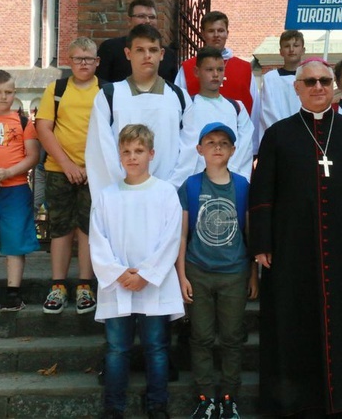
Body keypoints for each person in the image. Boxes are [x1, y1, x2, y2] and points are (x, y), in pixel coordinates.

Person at [249, 58, 342, 416]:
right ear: (297, 89)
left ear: (334, 85)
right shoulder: (278, 134)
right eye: (310, 82)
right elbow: (262, 193)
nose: (318, 87)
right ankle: (293, 400)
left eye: (324, 81)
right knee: (293, 320)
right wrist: (261, 243)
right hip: (292, 247)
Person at [89, 124, 184, 419]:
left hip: (153, 283)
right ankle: (113, 408)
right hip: (117, 283)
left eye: (139, 151)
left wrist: (146, 274)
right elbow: (97, 239)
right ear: (119, 155)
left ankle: (157, 405)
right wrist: (119, 273)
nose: (132, 157)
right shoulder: (106, 195)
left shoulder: (166, 192)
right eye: (127, 152)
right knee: (117, 349)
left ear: (151, 154)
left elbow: (172, 237)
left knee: (156, 347)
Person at [177, 122, 258, 419]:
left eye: (224, 143)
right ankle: (205, 396)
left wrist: (252, 273)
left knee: (233, 336)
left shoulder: (241, 186)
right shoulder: (191, 185)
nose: (217, 148)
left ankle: (228, 396)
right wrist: (182, 274)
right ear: (199, 149)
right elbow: (182, 235)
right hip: (198, 270)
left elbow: (248, 234)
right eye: (210, 142)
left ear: (233, 150)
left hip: (234, 272)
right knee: (200, 336)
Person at [85, 24, 198, 200]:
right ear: (128, 54)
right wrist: (121, 188)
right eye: (140, 50)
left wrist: (170, 188)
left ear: (161, 54)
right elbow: (100, 150)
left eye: (153, 50)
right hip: (121, 195)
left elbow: (190, 149)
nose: (147, 56)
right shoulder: (110, 95)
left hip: (167, 196)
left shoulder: (179, 97)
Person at [35, 37, 100, 315]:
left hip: (94, 172)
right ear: (69, 61)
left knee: (88, 228)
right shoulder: (57, 89)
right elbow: (44, 128)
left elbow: (111, 132)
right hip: (58, 170)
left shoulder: (106, 91)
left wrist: (90, 166)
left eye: (89, 58)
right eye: (78, 58)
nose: (83, 63)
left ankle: (85, 285)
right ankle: (58, 286)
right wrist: (67, 165)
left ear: (97, 62)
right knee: (60, 227)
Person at [174, 11, 258, 154]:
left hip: (237, 146)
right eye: (211, 31)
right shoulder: (188, 68)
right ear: (203, 33)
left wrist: (254, 147)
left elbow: (255, 108)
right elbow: (176, 109)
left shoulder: (245, 68)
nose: (216, 35)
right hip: (197, 147)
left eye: (220, 30)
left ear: (227, 33)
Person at [176, 46, 254, 180]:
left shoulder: (236, 107)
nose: (215, 74)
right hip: (196, 179)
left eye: (220, 69)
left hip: (229, 180)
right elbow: (183, 145)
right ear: (196, 72)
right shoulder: (186, 107)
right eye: (209, 70)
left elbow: (245, 147)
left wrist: (227, 175)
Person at [0, 70, 40, 312]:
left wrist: (9, 172)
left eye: (9, 92)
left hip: (14, 189)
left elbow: (33, 156)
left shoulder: (23, 121)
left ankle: (13, 293)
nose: (4, 97)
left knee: (14, 241)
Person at [97, 0, 178, 83]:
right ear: (129, 21)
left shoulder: (168, 55)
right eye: (141, 16)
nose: (147, 21)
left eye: (152, 17)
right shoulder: (110, 48)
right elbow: (101, 83)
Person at [258, 30, 305, 142]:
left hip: (305, 135)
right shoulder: (270, 78)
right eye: (287, 46)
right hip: (279, 137)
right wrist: (284, 133)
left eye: (296, 45)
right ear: (281, 51)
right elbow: (267, 111)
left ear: (303, 50)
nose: (292, 49)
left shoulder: (310, 78)